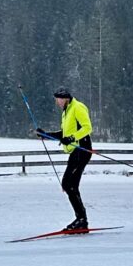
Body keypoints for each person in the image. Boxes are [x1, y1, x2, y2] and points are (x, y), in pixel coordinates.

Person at [38, 87, 94, 232]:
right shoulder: (66, 112)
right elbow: (64, 134)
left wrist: (72, 138)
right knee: (69, 185)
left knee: (69, 184)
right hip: (75, 151)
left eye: (58, 99)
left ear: (65, 98)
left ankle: (81, 220)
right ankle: (81, 220)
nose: (57, 102)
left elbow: (87, 128)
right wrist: (46, 134)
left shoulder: (77, 107)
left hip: (82, 149)